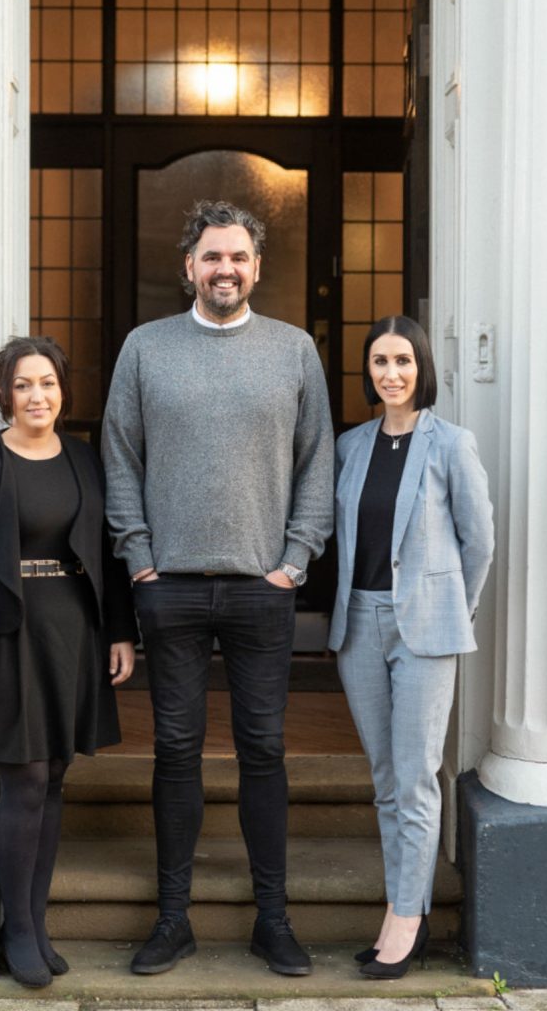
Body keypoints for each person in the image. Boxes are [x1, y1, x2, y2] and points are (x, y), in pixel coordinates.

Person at [101, 199, 333, 977]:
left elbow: (317, 464)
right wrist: (138, 561)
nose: (225, 268)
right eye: (211, 257)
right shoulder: (145, 349)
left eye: (237, 257)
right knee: (175, 751)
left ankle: (274, 920)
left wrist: (294, 562)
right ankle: (174, 920)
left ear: (256, 267)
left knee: (263, 751)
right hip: (168, 588)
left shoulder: (295, 351)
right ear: (188, 267)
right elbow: (119, 461)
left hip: (261, 589)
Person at [0, 336, 137, 988]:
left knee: (54, 780)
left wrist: (121, 634)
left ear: (62, 390)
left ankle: (36, 923)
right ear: (5, 395)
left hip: (70, 635)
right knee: (22, 781)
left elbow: (109, 556)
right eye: (23, 385)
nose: (37, 395)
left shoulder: (82, 459)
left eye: (47, 383)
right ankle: (14, 930)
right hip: (4, 638)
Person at [329, 315, 494, 980]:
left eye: (402, 360)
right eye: (378, 362)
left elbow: (478, 542)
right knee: (386, 777)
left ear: (421, 367)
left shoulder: (452, 444)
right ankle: (405, 903)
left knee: (418, 774)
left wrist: (452, 606)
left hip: (426, 627)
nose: (390, 373)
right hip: (359, 623)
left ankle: (406, 917)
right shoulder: (351, 446)